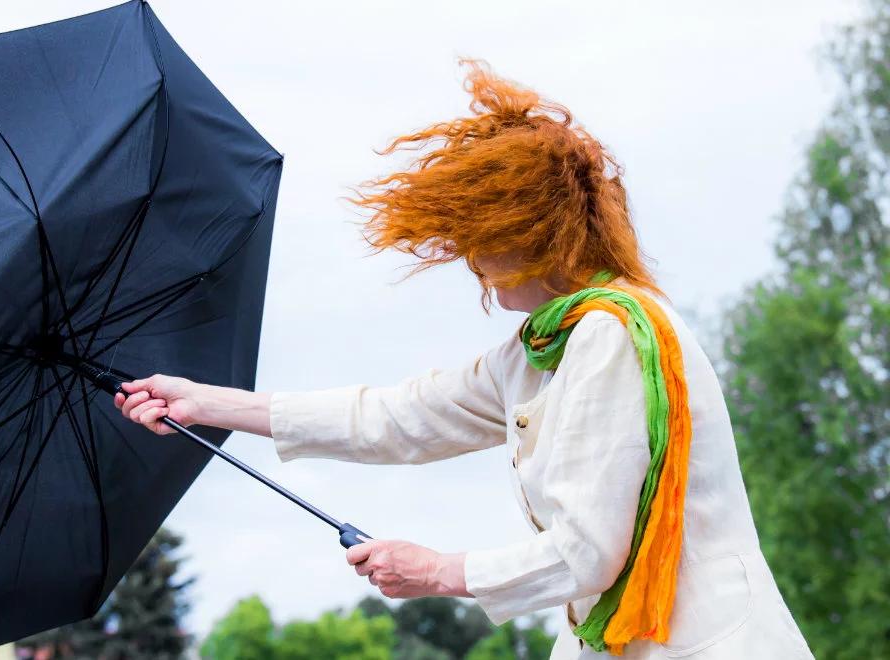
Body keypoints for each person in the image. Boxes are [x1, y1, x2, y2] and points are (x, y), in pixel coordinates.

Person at [113, 60, 813, 659]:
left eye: (479, 234)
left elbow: (587, 552)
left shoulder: (610, 336)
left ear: (535, 231)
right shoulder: (543, 348)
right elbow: (397, 416)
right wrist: (207, 404)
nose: (471, 260)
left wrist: (439, 571)